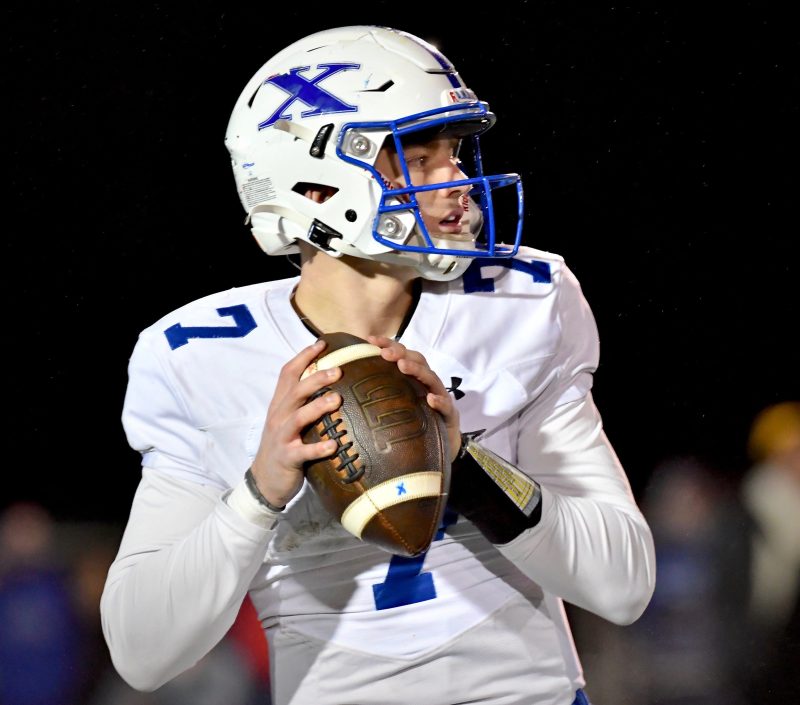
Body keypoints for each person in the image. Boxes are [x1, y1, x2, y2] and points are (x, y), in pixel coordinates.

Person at [100, 25, 656, 705]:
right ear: (316, 188)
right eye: (417, 158)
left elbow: (623, 584)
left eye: (454, 153)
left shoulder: (522, 302)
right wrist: (258, 493)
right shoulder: (200, 354)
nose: (458, 181)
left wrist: (465, 463)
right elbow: (142, 652)